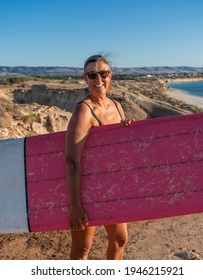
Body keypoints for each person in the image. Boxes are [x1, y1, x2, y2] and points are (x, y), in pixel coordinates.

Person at [65, 54, 132, 260]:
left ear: (110, 75)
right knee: (82, 249)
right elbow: (72, 159)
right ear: (85, 79)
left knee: (120, 240)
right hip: (88, 190)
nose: (98, 79)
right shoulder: (83, 111)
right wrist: (75, 206)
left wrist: (128, 129)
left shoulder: (117, 106)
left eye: (103, 73)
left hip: (112, 187)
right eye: (92, 75)